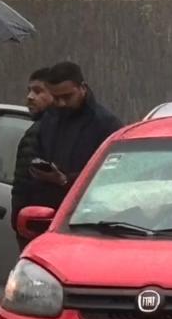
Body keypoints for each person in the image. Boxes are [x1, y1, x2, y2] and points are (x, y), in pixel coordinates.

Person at [27, 61, 124, 215]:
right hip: (50, 214)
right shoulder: (50, 118)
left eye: (67, 96)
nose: (61, 103)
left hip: (91, 216)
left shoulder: (105, 123)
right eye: (56, 97)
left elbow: (114, 176)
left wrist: (66, 180)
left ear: (82, 88)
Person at [11, 67, 56, 251]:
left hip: (38, 226)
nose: (30, 97)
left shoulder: (40, 133)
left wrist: (18, 222)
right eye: (29, 91)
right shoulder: (37, 131)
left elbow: (23, 185)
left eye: (37, 91)